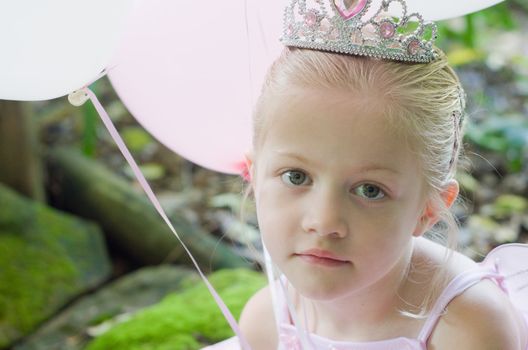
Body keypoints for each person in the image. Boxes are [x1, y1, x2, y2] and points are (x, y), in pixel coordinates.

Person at [205, 0, 528, 349]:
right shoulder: (268, 322)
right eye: (296, 177)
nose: (324, 221)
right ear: (253, 177)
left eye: (370, 190)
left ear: (428, 210)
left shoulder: (467, 329)